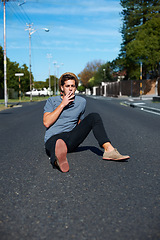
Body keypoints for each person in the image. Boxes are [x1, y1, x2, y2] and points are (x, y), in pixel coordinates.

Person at [43, 72, 130, 173]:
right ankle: (57, 161)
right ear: (62, 88)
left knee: (94, 116)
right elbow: (47, 123)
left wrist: (79, 134)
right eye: (67, 86)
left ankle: (109, 150)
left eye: (73, 86)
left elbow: (80, 123)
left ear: (76, 88)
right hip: (53, 137)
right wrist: (63, 104)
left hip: (70, 138)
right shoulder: (52, 101)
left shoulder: (81, 102)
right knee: (56, 144)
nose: (70, 89)